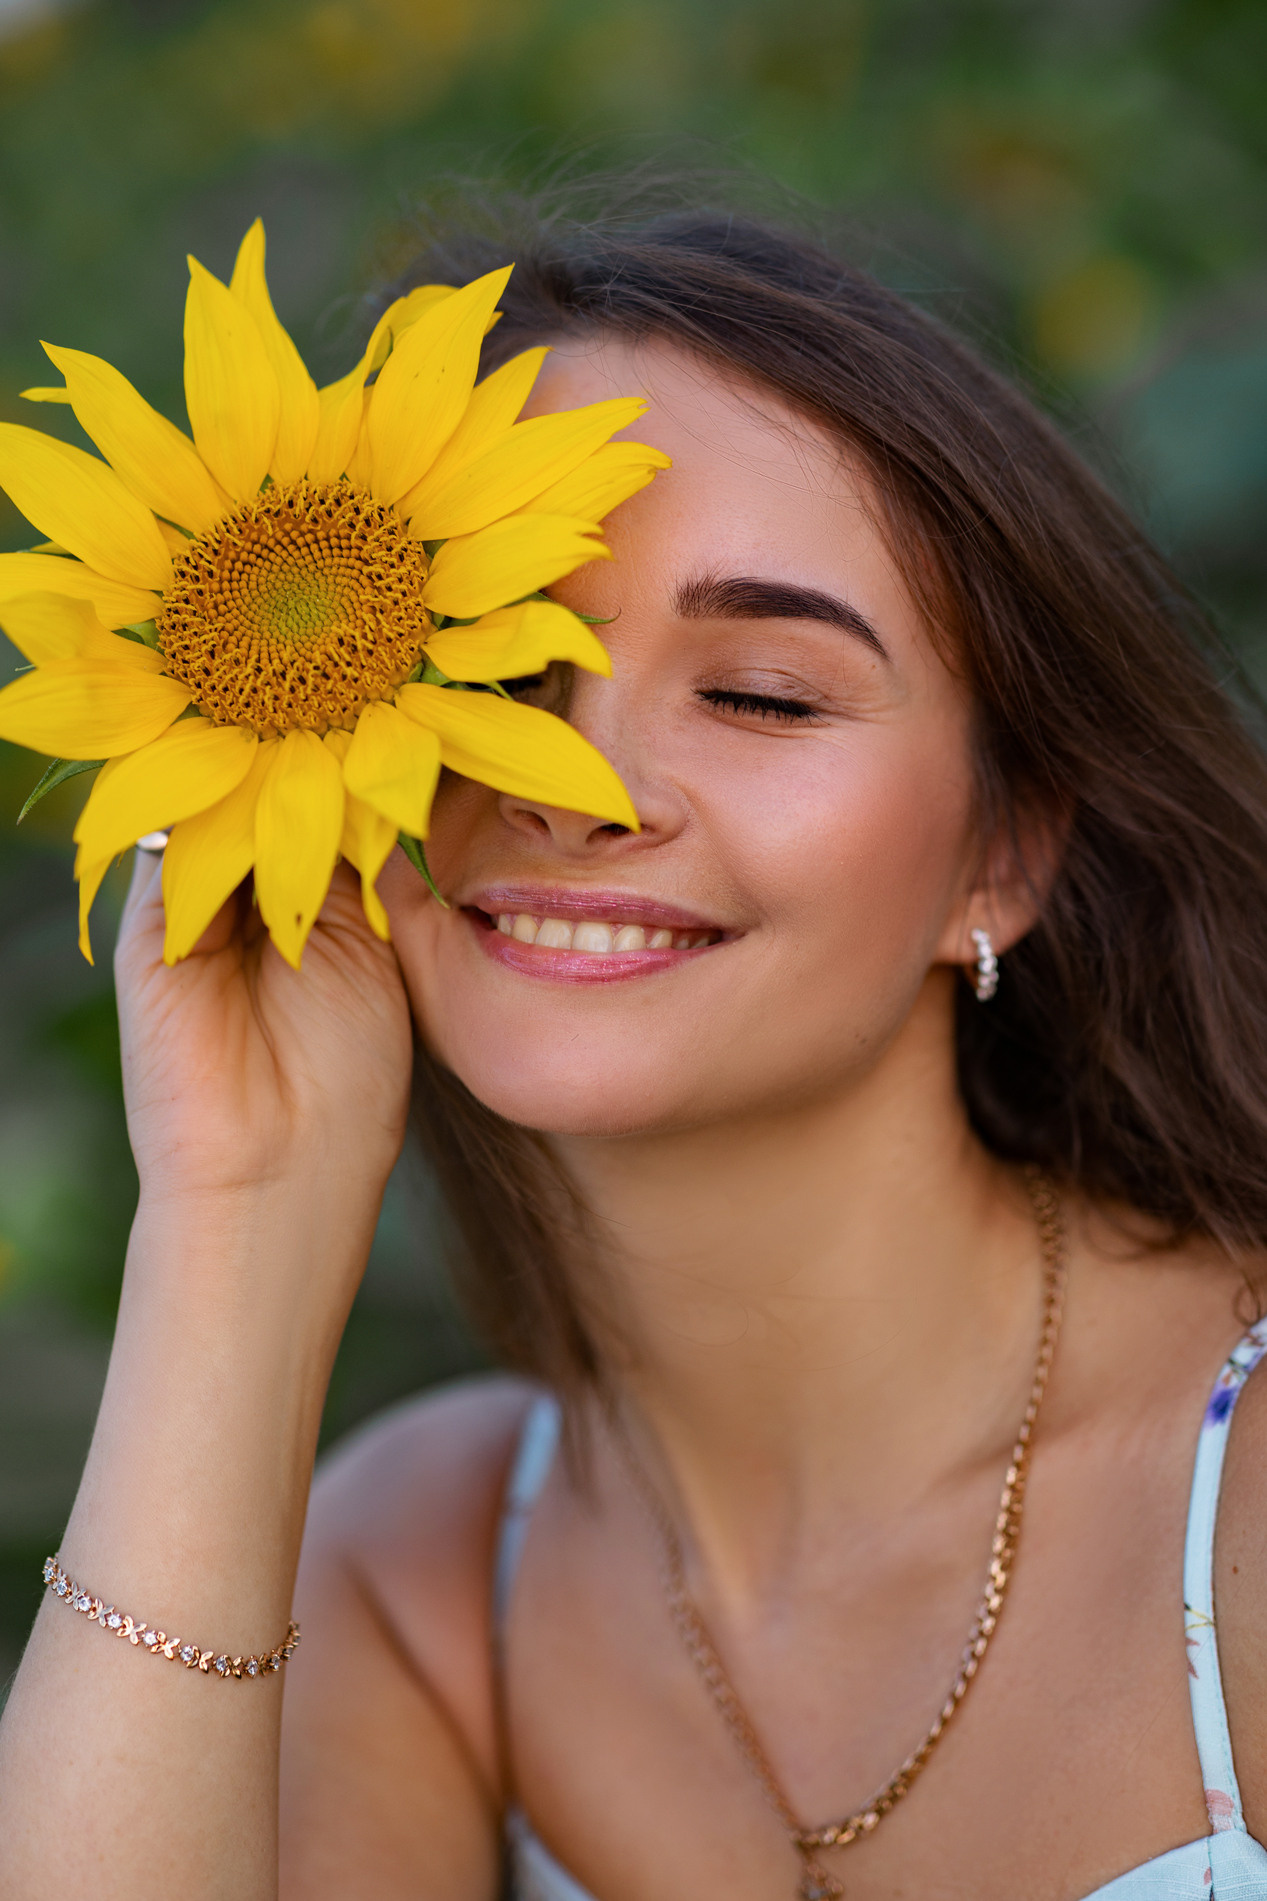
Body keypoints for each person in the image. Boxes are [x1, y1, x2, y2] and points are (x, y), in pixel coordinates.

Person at [3, 187, 1267, 1901]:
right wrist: (238, 1219)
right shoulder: (428, 1575)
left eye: (760, 692)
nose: (575, 787)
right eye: (490, 674)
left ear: (1007, 851)